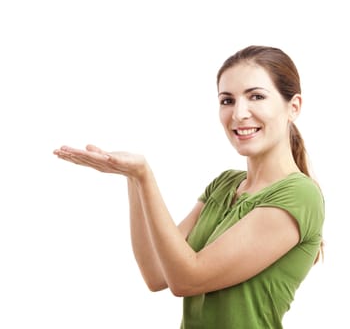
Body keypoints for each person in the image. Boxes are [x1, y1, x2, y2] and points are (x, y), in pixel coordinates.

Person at [53, 45, 325, 328]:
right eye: (227, 100)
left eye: (256, 96)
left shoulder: (299, 195)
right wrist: (132, 179)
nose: (239, 113)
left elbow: (187, 279)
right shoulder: (224, 185)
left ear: (293, 107)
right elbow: (157, 274)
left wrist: (145, 176)